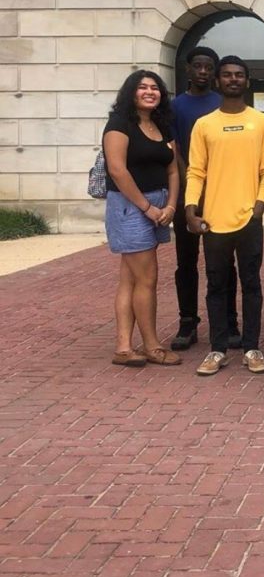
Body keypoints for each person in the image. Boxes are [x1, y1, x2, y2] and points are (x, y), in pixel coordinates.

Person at [185, 56, 264, 376]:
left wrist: (261, 205)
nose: (233, 79)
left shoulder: (261, 122)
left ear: (247, 82)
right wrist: (190, 210)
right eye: (227, 75)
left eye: (239, 75)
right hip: (214, 220)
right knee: (216, 286)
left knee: (251, 284)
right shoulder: (205, 124)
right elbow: (196, 171)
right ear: (218, 81)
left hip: (249, 218)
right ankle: (217, 349)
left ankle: (252, 347)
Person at [103, 70, 181, 367]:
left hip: (160, 205)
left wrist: (171, 206)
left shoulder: (162, 126)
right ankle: (151, 346)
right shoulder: (119, 124)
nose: (150, 92)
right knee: (147, 278)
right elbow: (117, 170)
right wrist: (147, 208)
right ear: (131, 93)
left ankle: (123, 347)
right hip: (130, 206)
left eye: (155, 88)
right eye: (142, 87)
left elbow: (173, 170)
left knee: (130, 278)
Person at [170, 46, 239, 352]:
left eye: (208, 67)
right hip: (189, 194)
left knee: (225, 262)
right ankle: (187, 322)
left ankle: (229, 321)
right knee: (186, 261)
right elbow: (175, 150)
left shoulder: (222, 103)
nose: (203, 72)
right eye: (197, 66)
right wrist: (190, 186)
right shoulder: (175, 107)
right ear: (188, 69)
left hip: (222, 195)